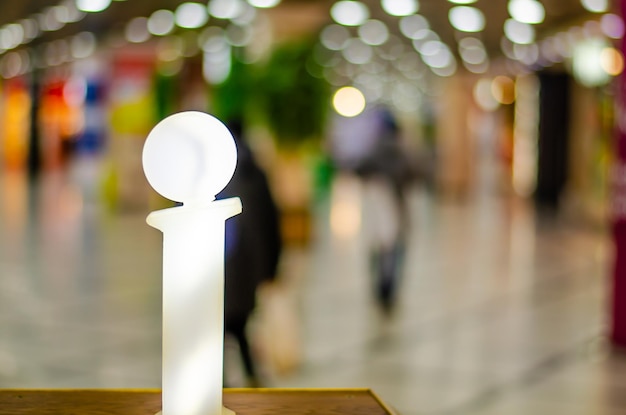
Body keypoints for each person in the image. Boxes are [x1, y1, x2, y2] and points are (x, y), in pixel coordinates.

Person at [218, 120, 282, 387]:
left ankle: (223, 383)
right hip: (247, 266)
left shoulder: (207, 171)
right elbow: (271, 222)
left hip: (214, 267)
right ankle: (250, 377)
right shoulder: (254, 170)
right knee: (238, 321)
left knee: (222, 324)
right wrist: (271, 268)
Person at [355, 106, 417, 314]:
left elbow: (359, 168)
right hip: (398, 210)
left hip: (378, 213)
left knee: (378, 251)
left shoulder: (373, 149)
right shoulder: (402, 149)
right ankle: (389, 289)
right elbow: (414, 172)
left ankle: (379, 288)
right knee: (396, 251)